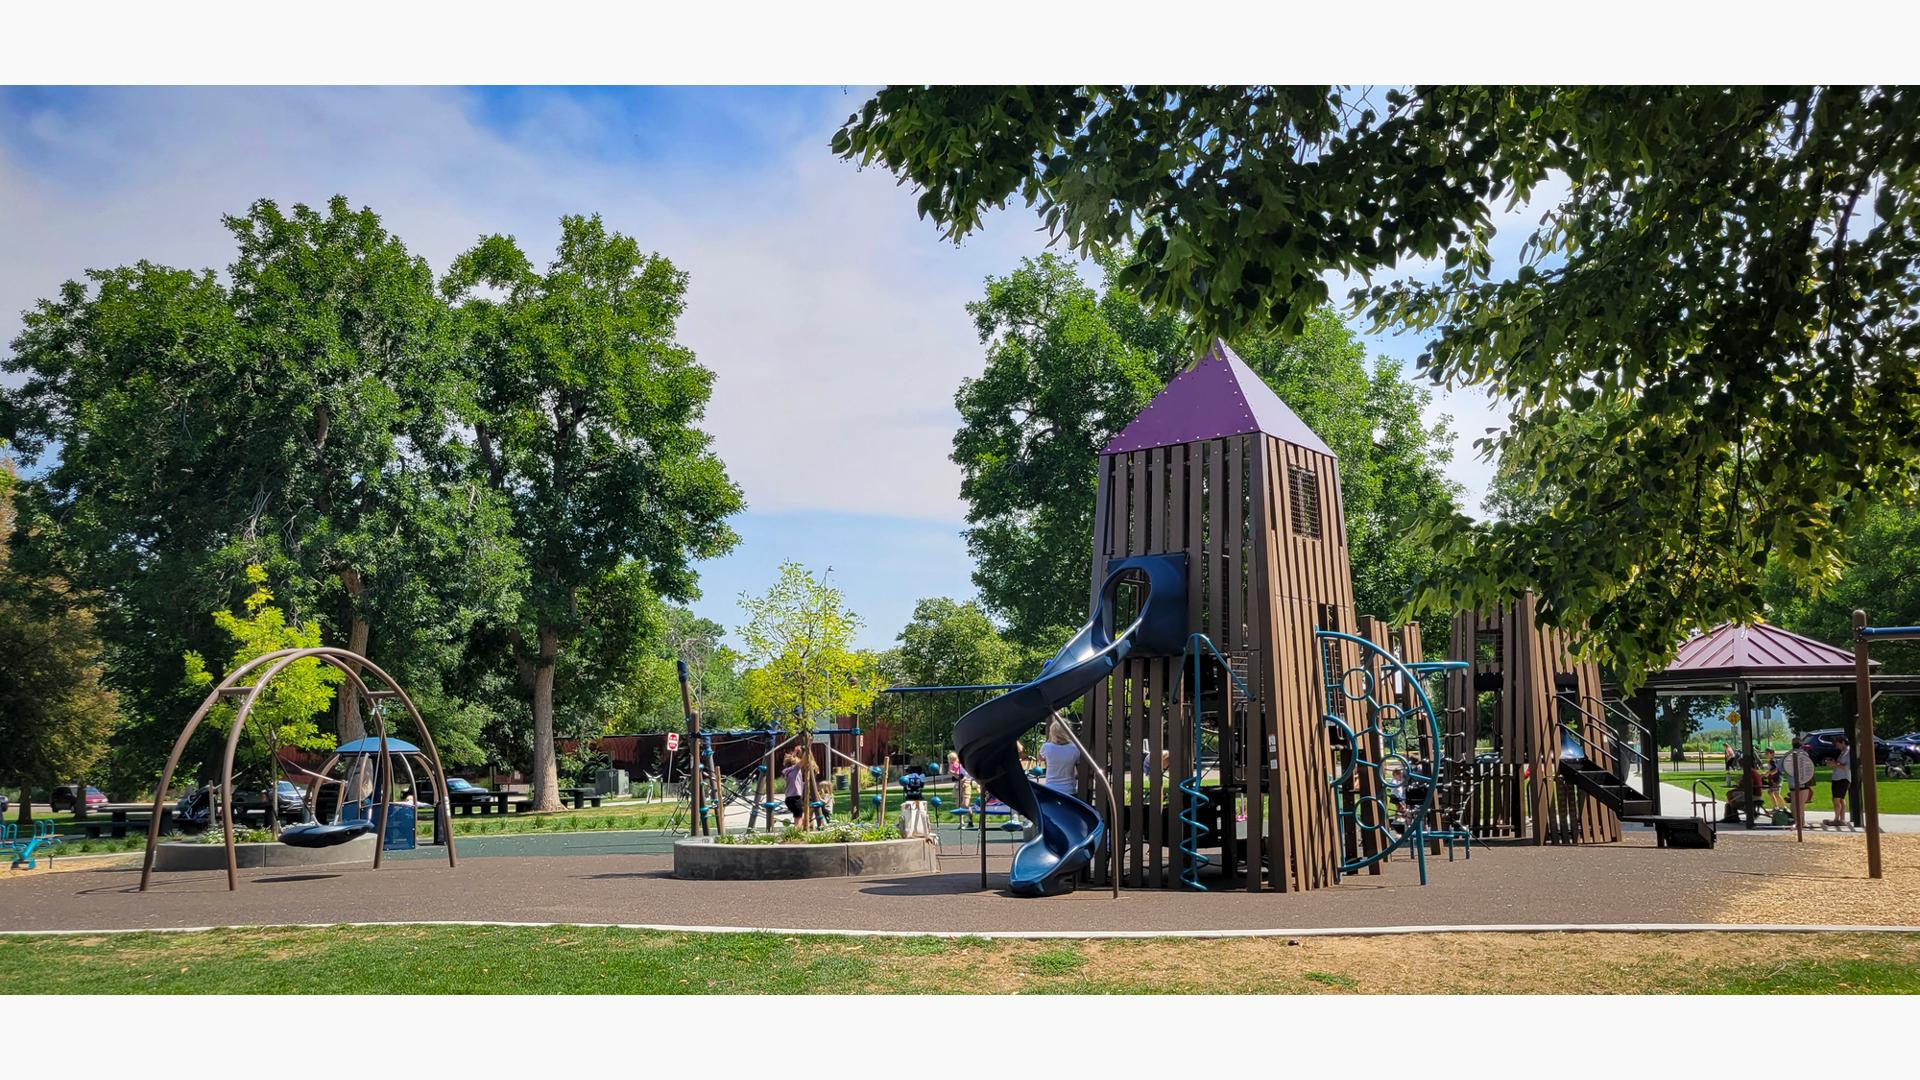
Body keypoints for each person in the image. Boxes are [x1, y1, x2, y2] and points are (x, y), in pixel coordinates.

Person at [1039, 715, 1081, 795]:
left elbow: (1040, 757)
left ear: (1052, 733)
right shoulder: (1075, 748)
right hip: (1069, 790)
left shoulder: (1047, 747)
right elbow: (1078, 766)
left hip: (1051, 789)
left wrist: (1049, 740)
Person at [1781, 737, 1816, 824]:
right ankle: (1801, 823)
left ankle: (1797, 821)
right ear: (1801, 745)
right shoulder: (1804, 754)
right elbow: (1809, 768)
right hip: (1803, 782)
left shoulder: (1788, 754)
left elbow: (1780, 767)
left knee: (1794, 803)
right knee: (1801, 804)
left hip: (1792, 782)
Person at [1826, 736, 1854, 829]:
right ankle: (1842, 819)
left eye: (1837, 743)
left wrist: (1835, 764)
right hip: (1838, 777)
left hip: (1843, 778)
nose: (1835, 745)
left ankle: (1836, 820)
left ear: (1842, 742)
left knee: (1836, 799)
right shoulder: (1843, 752)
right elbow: (1840, 764)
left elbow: (1846, 766)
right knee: (1841, 799)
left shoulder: (1849, 752)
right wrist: (1834, 763)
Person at [946, 751, 972, 826]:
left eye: (953, 759)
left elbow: (965, 776)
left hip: (966, 785)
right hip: (957, 785)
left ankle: (970, 818)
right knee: (958, 805)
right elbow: (952, 775)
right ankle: (961, 822)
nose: (951, 762)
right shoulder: (953, 765)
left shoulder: (963, 765)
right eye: (950, 760)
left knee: (965, 805)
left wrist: (955, 774)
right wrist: (952, 773)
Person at [781, 748, 806, 825]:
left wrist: (795, 751)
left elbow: (792, 759)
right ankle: (797, 833)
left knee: (800, 814)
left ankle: (803, 828)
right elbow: (806, 758)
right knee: (798, 817)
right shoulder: (796, 768)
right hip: (795, 797)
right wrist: (807, 747)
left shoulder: (785, 771)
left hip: (788, 798)